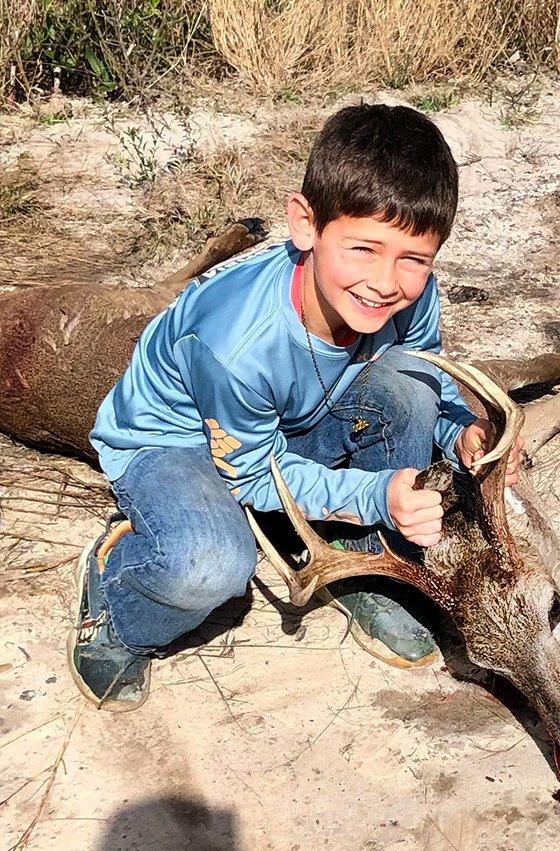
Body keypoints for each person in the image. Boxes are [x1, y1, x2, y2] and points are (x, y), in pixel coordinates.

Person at [70, 103, 519, 712]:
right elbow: (253, 473)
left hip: (286, 422)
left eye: (414, 259)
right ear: (305, 224)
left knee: (409, 383)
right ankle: (117, 595)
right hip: (184, 445)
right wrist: (378, 494)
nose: (387, 282)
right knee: (211, 565)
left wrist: (461, 431)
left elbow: (432, 385)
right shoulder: (237, 343)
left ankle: (362, 566)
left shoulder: (414, 297)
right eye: (363, 248)